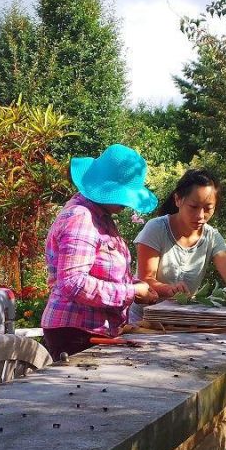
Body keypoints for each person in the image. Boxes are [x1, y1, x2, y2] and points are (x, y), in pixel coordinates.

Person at [40, 144, 160, 360]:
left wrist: (137, 288)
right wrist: (131, 293)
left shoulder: (101, 217)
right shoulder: (81, 218)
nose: (127, 204)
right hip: (75, 332)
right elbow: (73, 282)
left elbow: (101, 272)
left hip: (93, 330)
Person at [129, 169, 226, 325]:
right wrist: (169, 289)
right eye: (193, 207)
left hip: (182, 322)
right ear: (178, 200)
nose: (200, 216)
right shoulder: (156, 229)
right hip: (143, 321)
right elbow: (145, 280)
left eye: (208, 208)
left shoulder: (211, 237)